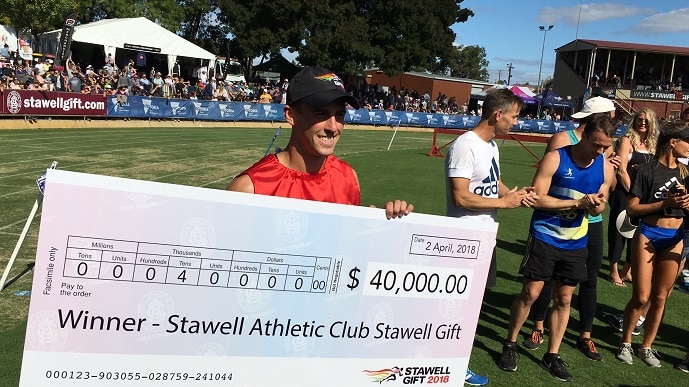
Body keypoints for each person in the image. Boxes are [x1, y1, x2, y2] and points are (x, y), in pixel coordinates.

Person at [499, 114, 616, 382]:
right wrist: (576, 204)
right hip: (545, 236)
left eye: (605, 147)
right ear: (584, 134)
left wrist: (597, 203)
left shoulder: (605, 166)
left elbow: (601, 204)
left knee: (564, 299)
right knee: (530, 292)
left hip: (576, 240)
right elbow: (536, 198)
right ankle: (510, 343)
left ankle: (552, 354)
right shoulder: (556, 157)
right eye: (596, 144)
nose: (600, 151)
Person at [227, 65, 412, 219]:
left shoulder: (348, 178)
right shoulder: (249, 188)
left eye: (339, 115)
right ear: (290, 115)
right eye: (321, 114)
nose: (333, 127)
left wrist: (379, 226)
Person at [445, 88, 539, 386]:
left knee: (473, 308)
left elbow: (491, 182)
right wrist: (504, 203)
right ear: (498, 114)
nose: (516, 122)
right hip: (464, 240)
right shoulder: (465, 146)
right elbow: (460, 197)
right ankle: (451, 364)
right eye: (513, 117)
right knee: (457, 310)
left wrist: (513, 193)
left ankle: (455, 361)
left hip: (486, 238)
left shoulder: (492, 146)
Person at [616, 120, 689, 367]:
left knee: (660, 298)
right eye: (687, 141)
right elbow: (632, 208)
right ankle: (626, 341)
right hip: (648, 234)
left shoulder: (686, 173)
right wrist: (665, 204)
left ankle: (647, 346)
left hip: (675, 238)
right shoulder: (647, 171)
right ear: (673, 142)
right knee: (641, 296)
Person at [608, 108, 658, 286]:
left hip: (642, 196)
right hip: (624, 193)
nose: (642, 123)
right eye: (639, 119)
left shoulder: (654, 145)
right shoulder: (626, 140)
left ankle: (626, 270)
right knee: (618, 231)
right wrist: (633, 192)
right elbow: (621, 170)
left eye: (646, 120)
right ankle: (613, 270)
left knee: (637, 233)